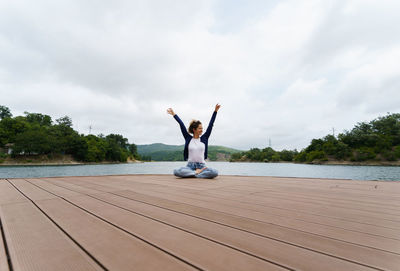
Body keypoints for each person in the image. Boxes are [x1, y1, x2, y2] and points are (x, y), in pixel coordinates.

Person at [167, 104, 221, 179]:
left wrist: (215, 111)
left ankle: (193, 174)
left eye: (202, 128)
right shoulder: (188, 138)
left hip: (202, 166)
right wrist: (174, 114)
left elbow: (210, 125)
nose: (202, 130)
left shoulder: (204, 138)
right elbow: (181, 124)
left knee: (215, 172)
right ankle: (196, 173)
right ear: (194, 129)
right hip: (190, 166)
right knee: (176, 171)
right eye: (200, 128)